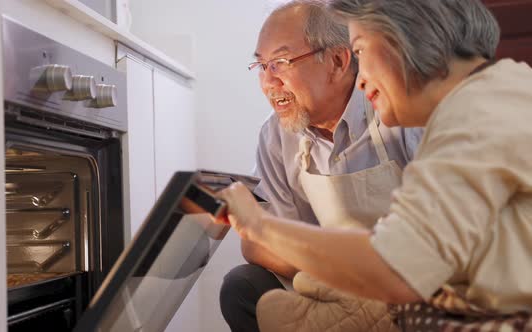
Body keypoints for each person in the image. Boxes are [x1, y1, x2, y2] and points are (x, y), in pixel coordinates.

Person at [217, 0, 532, 331]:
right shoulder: (481, 98)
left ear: (409, 44)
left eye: (362, 51)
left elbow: (402, 266)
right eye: (262, 67)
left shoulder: (480, 112)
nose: (361, 76)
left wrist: (259, 224)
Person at [219, 1, 422, 331]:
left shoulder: (405, 112)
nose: (269, 83)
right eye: (261, 66)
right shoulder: (276, 136)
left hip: (414, 277)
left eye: (281, 63)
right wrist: (336, 282)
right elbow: (258, 242)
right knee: (242, 286)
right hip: (334, 283)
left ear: (338, 61)